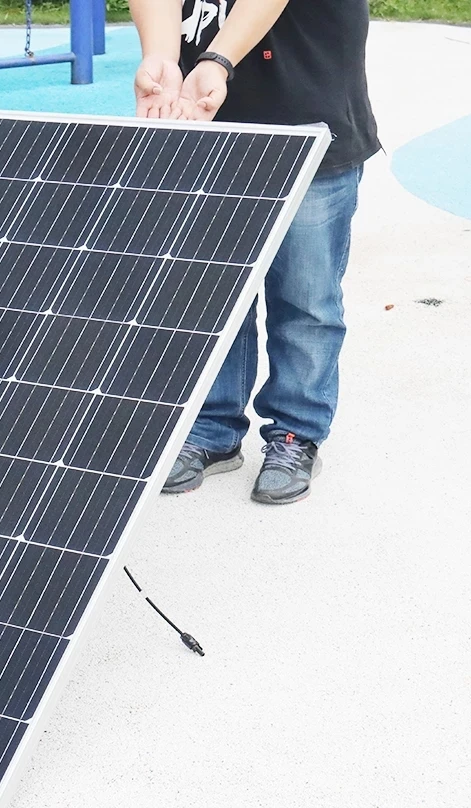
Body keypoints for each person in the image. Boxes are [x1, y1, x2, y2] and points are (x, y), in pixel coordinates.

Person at [130, 0, 380, 503]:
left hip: (307, 108)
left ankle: (295, 432)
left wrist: (217, 60)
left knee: (306, 300)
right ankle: (210, 429)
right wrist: (161, 56)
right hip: (203, 117)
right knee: (211, 296)